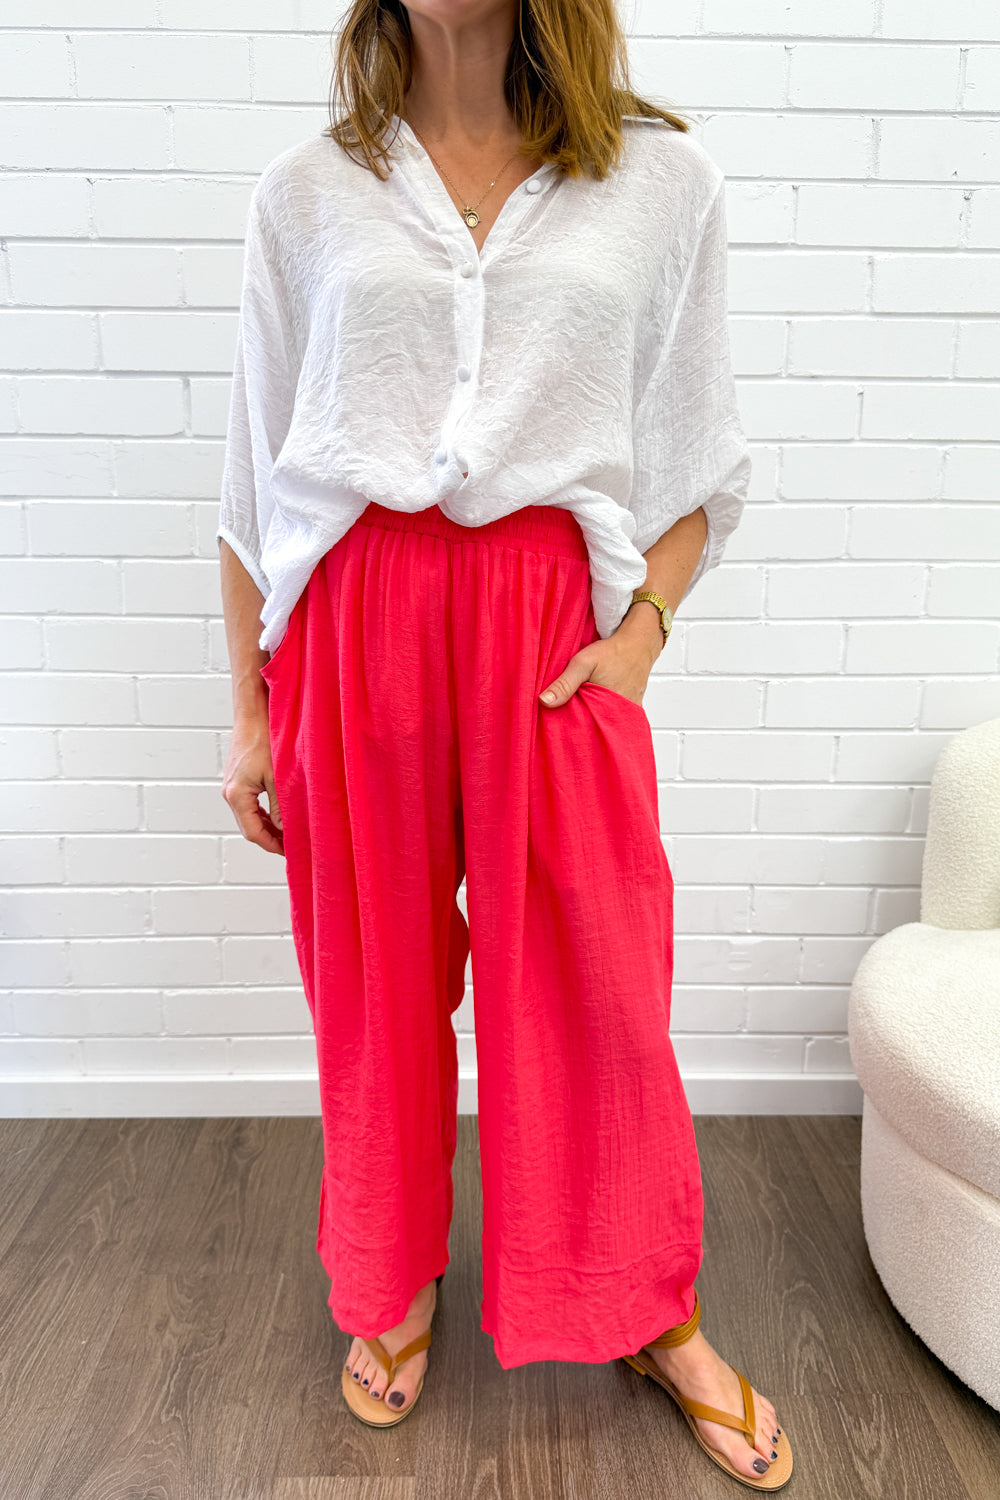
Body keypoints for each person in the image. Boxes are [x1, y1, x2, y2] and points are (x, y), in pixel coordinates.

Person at [218, 0, 791, 1488]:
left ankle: (647, 1305)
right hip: (357, 621)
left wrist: (640, 637)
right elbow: (258, 476)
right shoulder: (309, 191)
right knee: (377, 980)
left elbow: (701, 459)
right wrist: (252, 711)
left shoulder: (660, 184)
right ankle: (390, 1270)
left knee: (601, 980)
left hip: (550, 630)